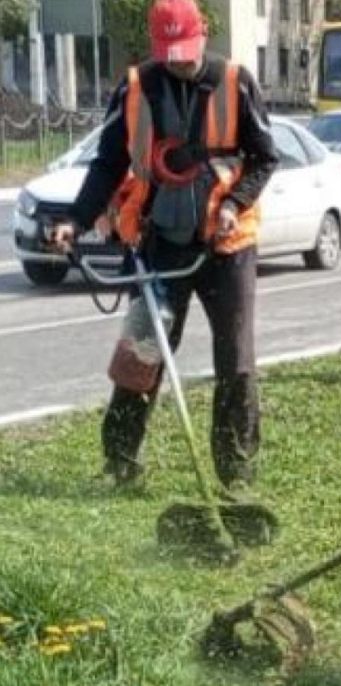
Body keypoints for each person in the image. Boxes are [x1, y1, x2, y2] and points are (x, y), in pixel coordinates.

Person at [51, 0, 279, 491]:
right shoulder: (135, 87)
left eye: (186, 50)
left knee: (235, 360)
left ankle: (236, 473)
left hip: (227, 246)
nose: (179, 61)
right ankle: (121, 463)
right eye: (169, 52)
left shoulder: (236, 81)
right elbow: (107, 164)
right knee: (141, 355)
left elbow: (265, 158)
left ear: (204, 34)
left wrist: (233, 203)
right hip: (159, 244)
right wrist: (76, 219)